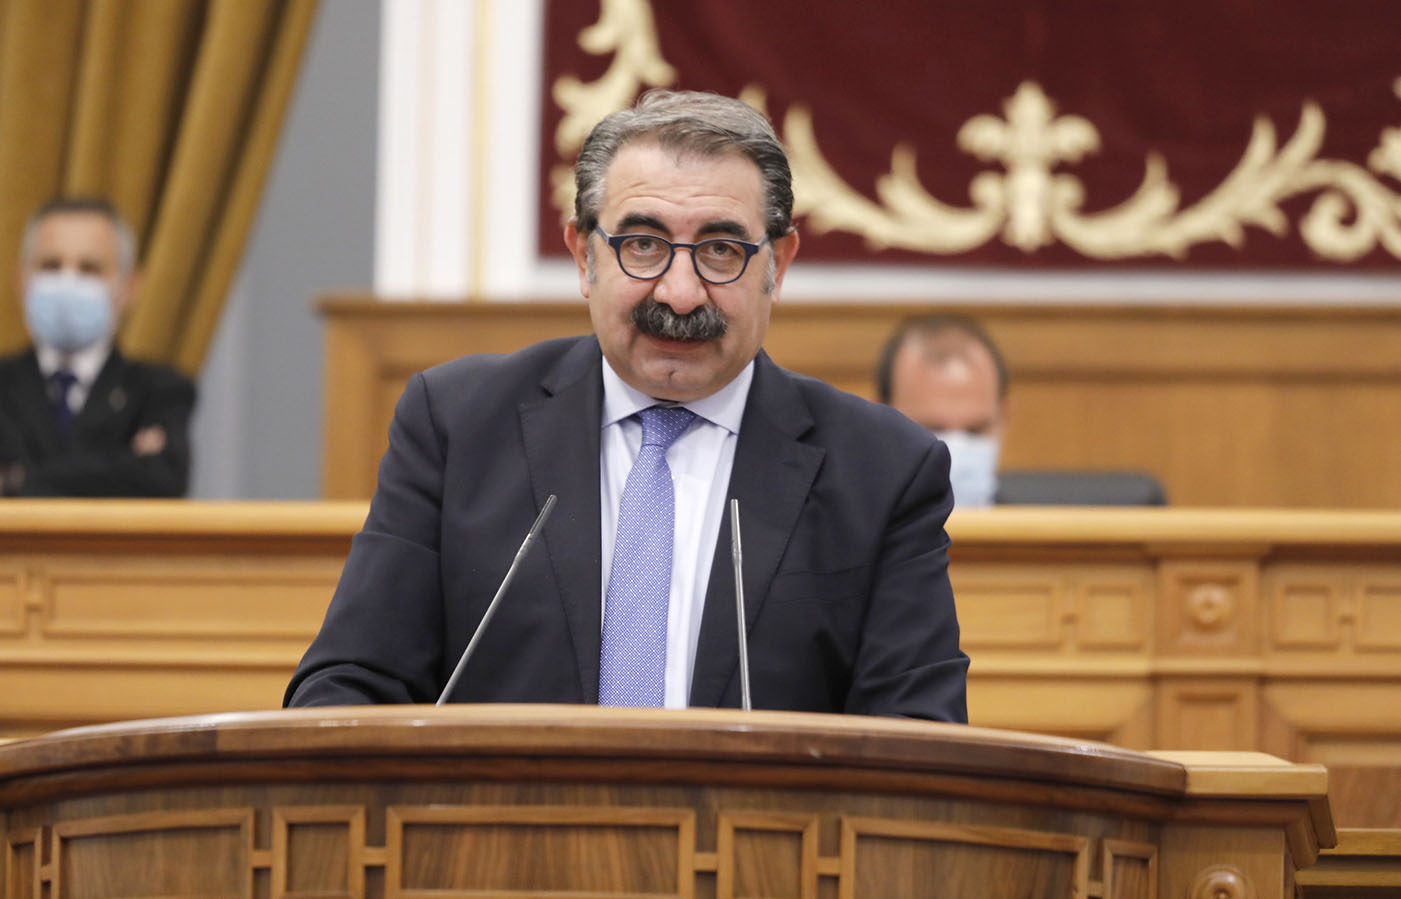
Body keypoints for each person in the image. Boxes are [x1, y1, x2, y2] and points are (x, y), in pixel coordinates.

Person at [285, 90, 968, 721]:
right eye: (642, 244)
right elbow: (347, 687)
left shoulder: (882, 471)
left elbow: (918, 742)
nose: (677, 292)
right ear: (584, 256)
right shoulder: (458, 425)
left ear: (776, 265)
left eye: (721, 250)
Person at [0, 197, 194, 498]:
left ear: (130, 287)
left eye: (89, 269)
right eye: (51, 265)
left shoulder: (160, 390)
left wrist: (12, 482)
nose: (68, 281)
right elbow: (135, 479)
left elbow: (161, 480)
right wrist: (121, 466)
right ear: (21, 281)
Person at [875, 315, 1009, 507]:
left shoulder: (1044, 534)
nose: (956, 451)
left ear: (1003, 417)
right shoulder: (837, 535)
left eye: (975, 430)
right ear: (877, 421)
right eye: (932, 430)